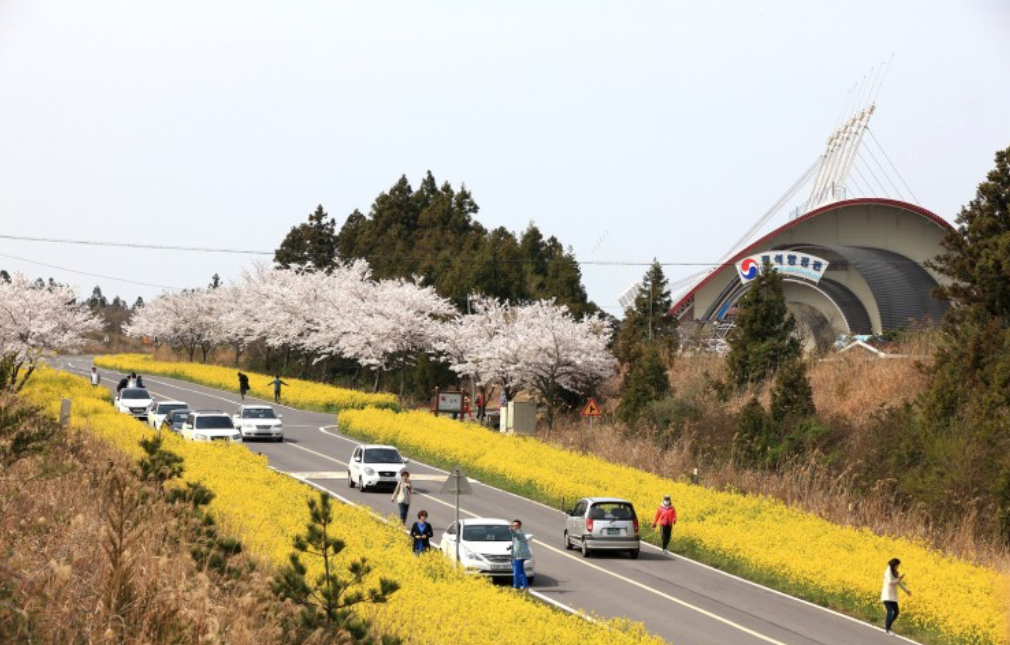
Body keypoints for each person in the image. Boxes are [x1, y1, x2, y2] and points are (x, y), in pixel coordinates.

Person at [881, 558, 911, 634]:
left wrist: (906, 590)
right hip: (887, 595)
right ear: (894, 564)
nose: (898, 567)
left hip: (893, 596)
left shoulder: (895, 572)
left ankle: (888, 624)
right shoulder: (888, 572)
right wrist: (899, 579)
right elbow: (891, 582)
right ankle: (888, 629)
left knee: (896, 612)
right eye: (897, 565)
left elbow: (899, 583)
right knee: (890, 611)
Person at [508, 519, 532, 591]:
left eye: (516, 525)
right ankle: (525, 586)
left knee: (516, 572)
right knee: (521, 571)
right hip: (518, 555)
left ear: (519, 526)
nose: (514, 526)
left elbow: (515, 534)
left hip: (519, 556)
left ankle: (516, 586)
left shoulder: (519, 533)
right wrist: (510, 547)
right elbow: (517, 544)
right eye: (513, 525)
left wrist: (511, 530)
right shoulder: (517, 534)